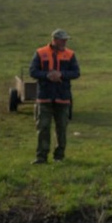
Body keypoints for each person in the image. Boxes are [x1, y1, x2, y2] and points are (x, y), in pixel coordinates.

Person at [29, 28, 80, 164]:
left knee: (61, 129)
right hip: (44, 97)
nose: (64, 42)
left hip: (63, 97)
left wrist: (61, 74)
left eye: (66, 40)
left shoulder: (70, 54)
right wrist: (47, 75)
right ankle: (41, 157)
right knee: (43, 128)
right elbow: (33, 71)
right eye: (62, 40)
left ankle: (59, 157)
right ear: (54, 40)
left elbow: (76, 73)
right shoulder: (40, 53)